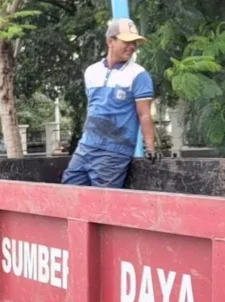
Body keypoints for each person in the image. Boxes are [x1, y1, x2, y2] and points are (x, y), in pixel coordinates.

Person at [61, 19, 161, 188]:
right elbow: (93, 108)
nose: (132, 46)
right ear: (110, 42)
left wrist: (150, 147)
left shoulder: (138, 75)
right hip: (86, 146)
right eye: (127, 41)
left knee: (103, 204)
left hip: (113, 152)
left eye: (134, 43)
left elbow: (144, 115)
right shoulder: (92, 72)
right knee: (69, 190)